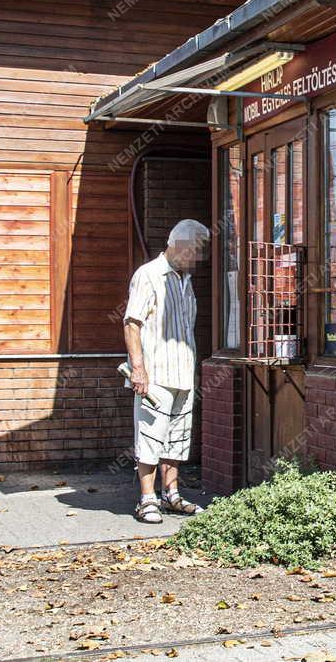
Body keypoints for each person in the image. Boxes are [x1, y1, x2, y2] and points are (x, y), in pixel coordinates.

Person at [123, 219, 210, 524]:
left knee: (176, 438)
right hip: (156, 374)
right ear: (178, 245)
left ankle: (170, 495)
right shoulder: (148, 275)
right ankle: (147, 499)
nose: (199, 258)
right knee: (150, 436)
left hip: (183, 375)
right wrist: (138, 369)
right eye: (196, 250)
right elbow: (132, 322)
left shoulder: (185, 281)